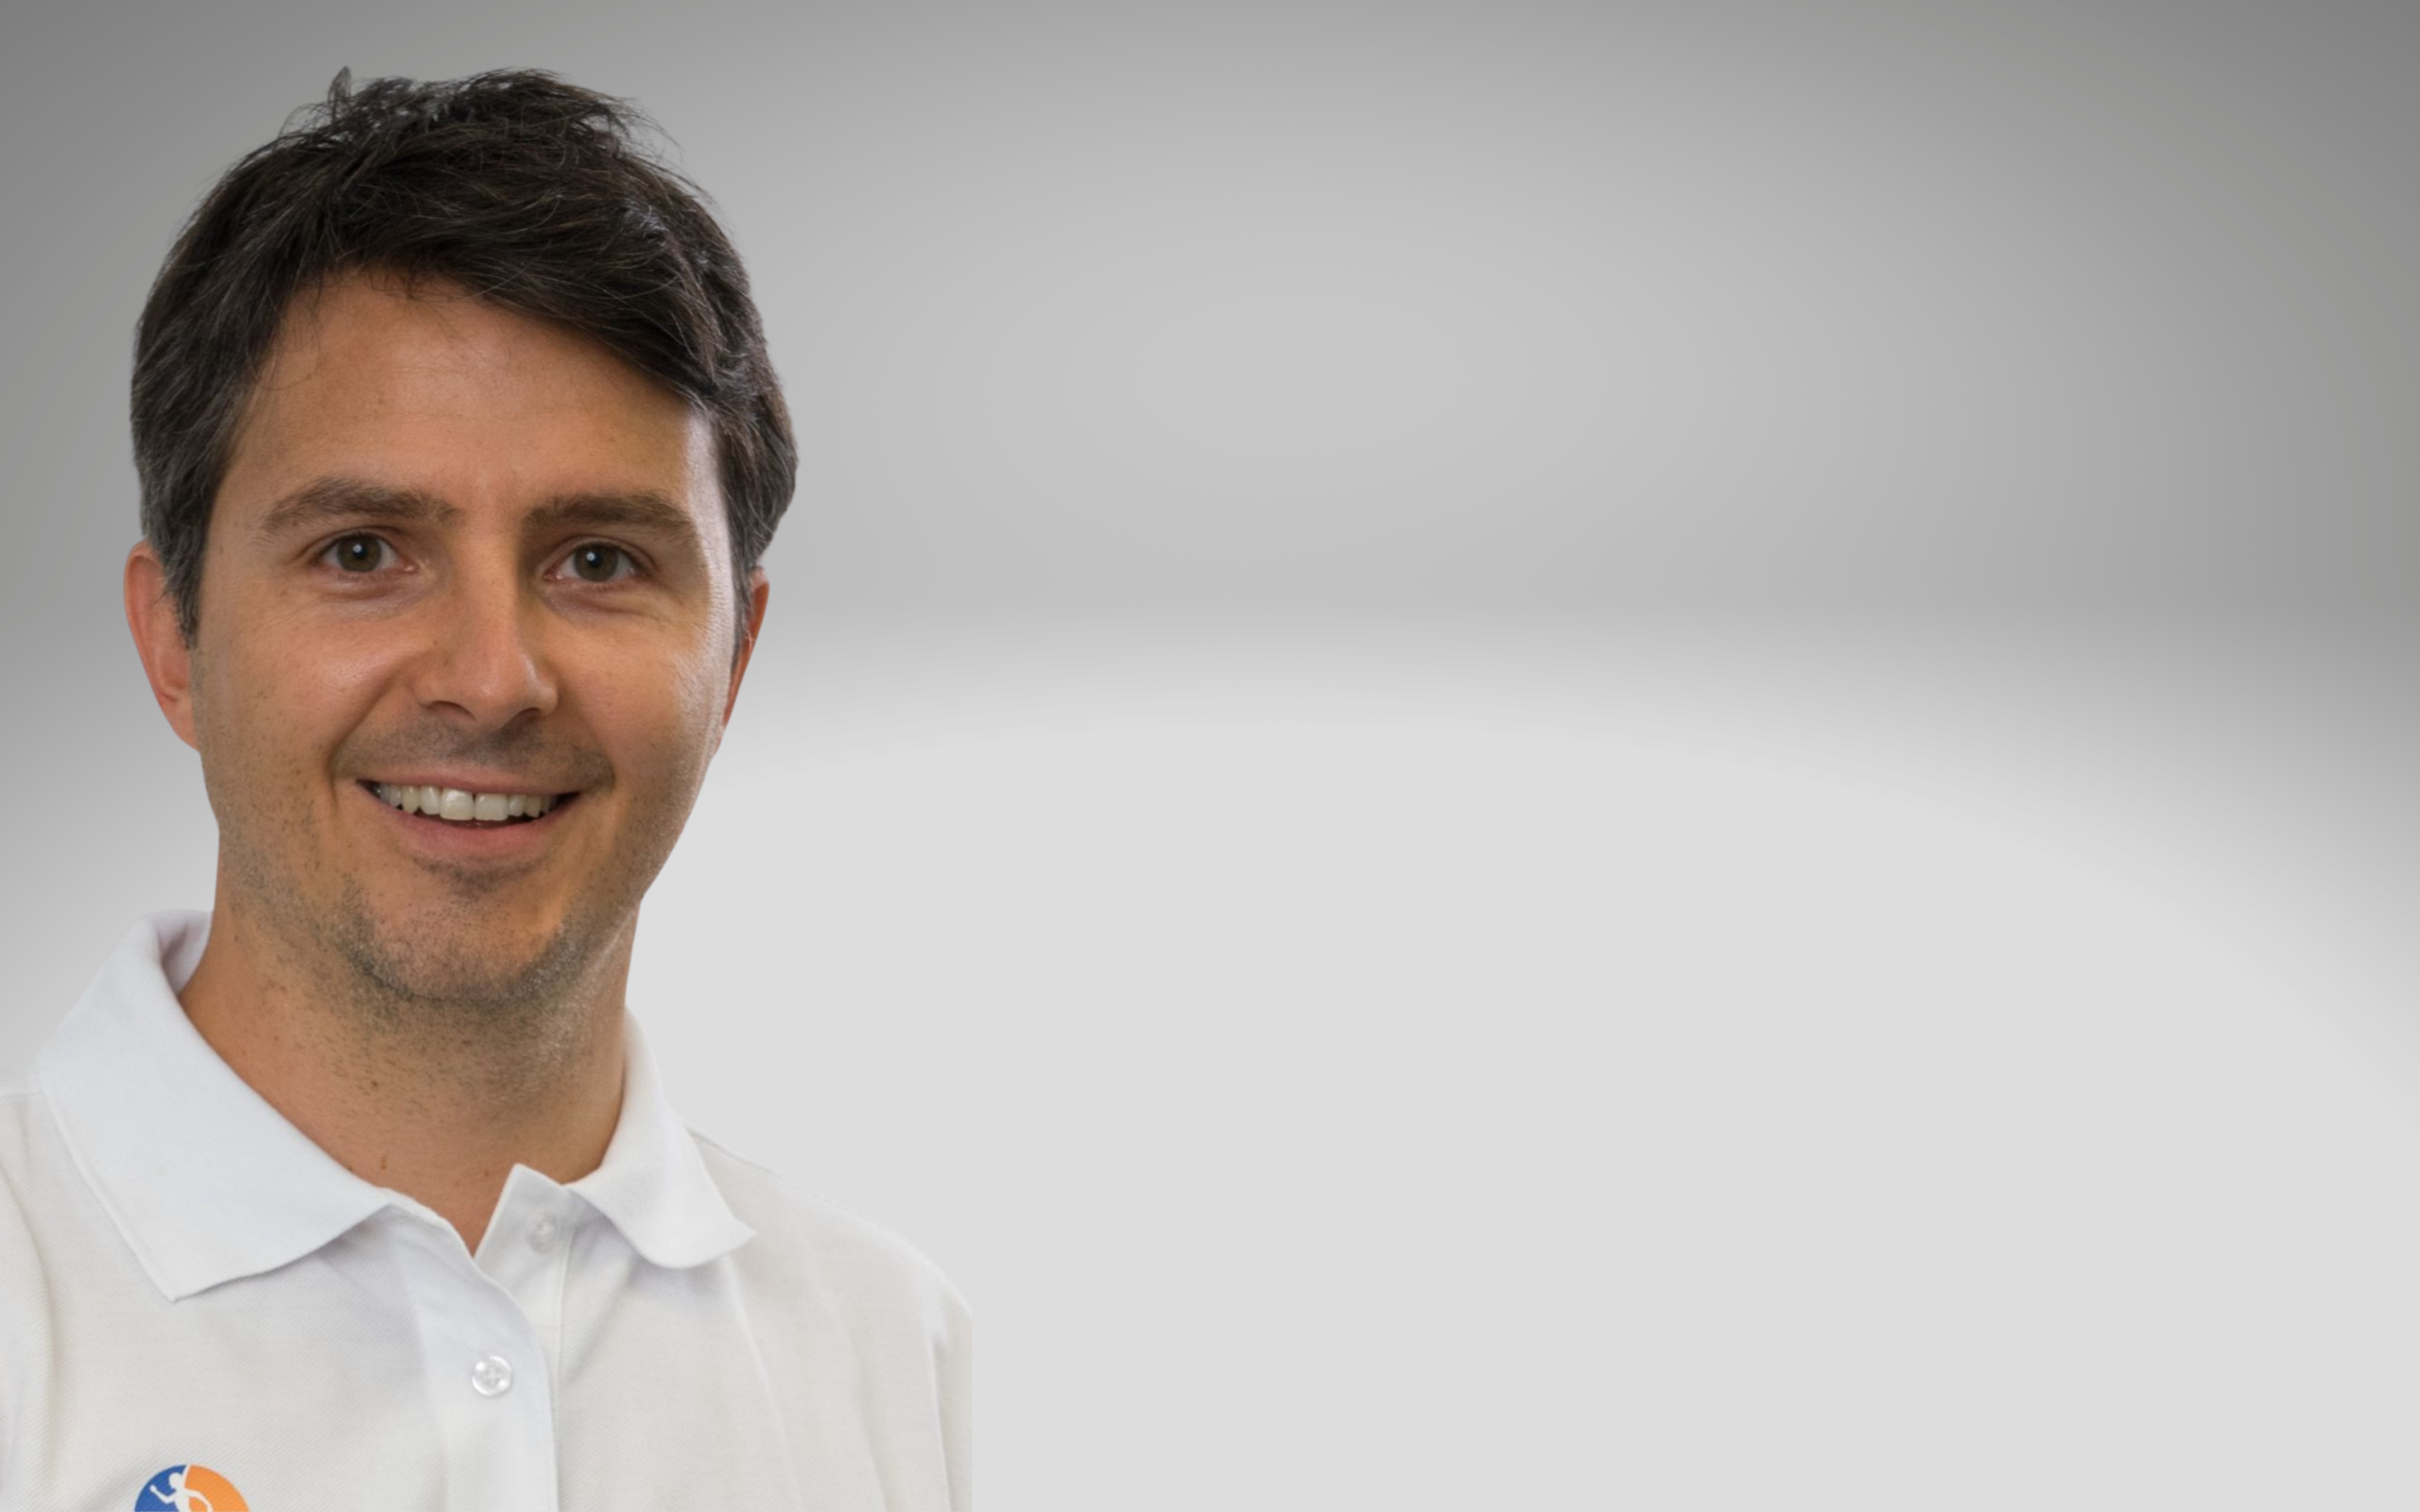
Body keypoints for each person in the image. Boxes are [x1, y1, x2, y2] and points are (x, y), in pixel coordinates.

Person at [0, 68, 969, 1510]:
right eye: (362, 553)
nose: (492, 678)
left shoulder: (889, 1354)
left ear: (735, 657)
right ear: (174, 641)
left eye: (599, 561)